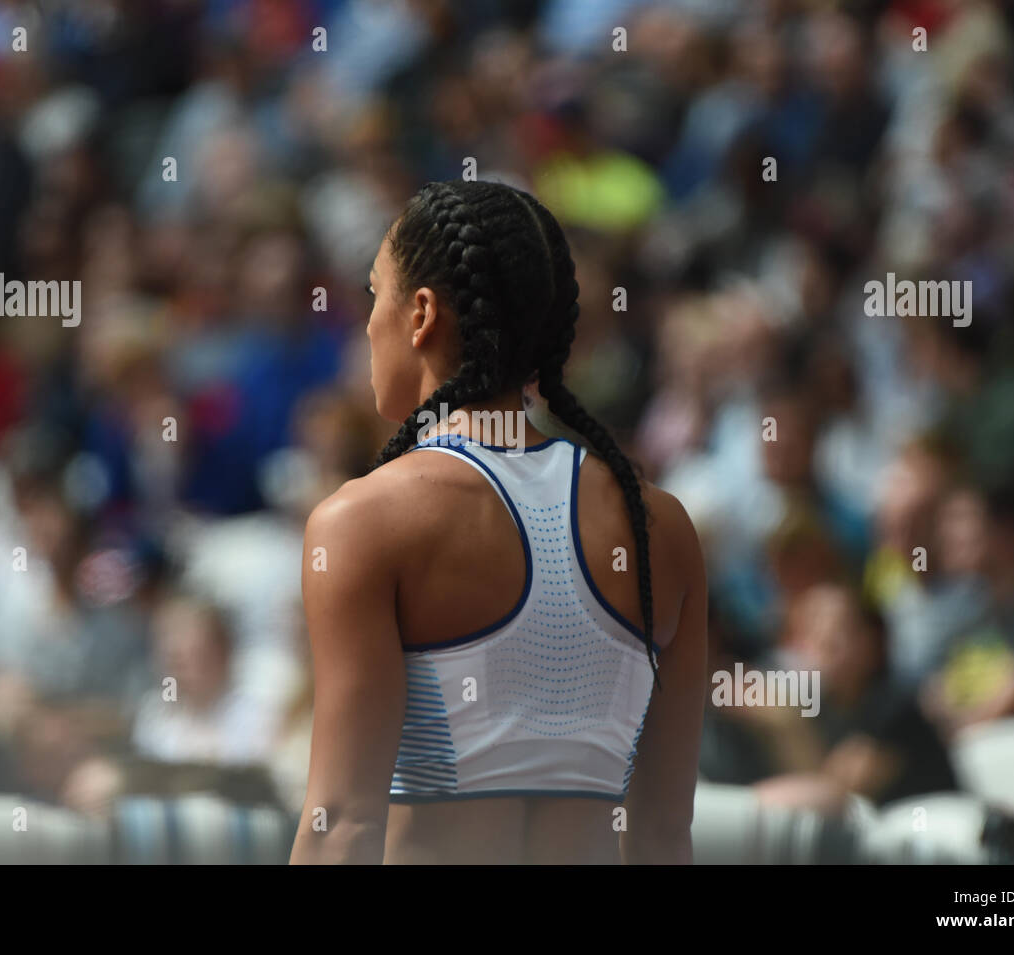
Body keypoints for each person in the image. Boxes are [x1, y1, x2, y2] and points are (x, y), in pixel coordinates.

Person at [289, 180, 707, 864]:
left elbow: (341, 826)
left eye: (374, 294)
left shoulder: (362, 522)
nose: (366, 324)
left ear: (420, 313)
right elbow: (662, 834)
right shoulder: (661, 525)